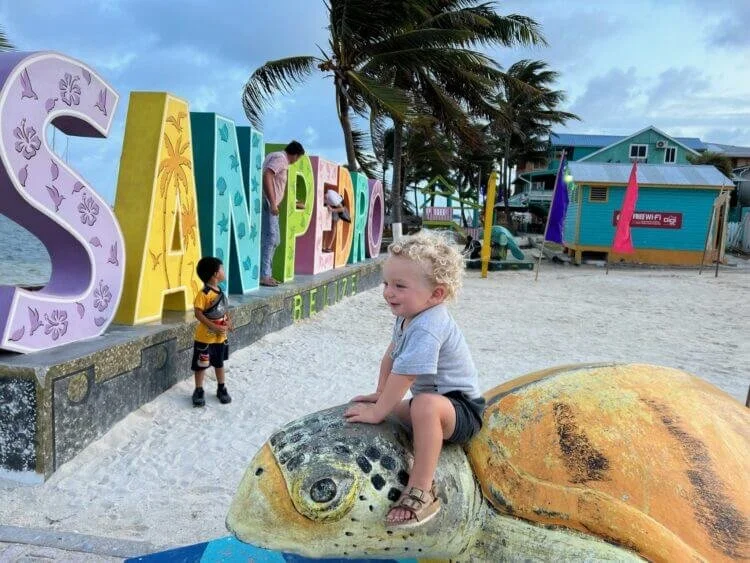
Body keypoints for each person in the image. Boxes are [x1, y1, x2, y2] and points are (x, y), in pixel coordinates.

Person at [344, 231, 485, 529]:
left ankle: (422, 490)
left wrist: (379, 410)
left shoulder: (430, 324)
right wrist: (380, 395)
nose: (387, 292)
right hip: (433, 402)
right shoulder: (409, 315)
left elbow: (406, 374)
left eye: (399, 286)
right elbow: (391, 357)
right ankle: (396, 410)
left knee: (422, 407)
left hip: (462, 410)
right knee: (380, 406)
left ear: (436, 294)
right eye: (386, 283)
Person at [260, 140, 305, 287]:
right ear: (296, 155)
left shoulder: (274, 155)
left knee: (275, 240)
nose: (296, 161)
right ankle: (264, 275)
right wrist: (272, 202)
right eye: (298, 158)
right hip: (269, 204)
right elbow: (267, 175)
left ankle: (267, 273)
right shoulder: (281, 159)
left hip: (271, 204)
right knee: (271, 239)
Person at [191, 257, 233, 407]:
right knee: (201, 365)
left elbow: (223, 311)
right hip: (205, 338)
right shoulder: (204, 294)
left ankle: (221, 388)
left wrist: (228, 322)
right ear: (215, 274)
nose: (224, 271)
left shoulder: (221, 291)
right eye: (222, 269)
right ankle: (198, 390)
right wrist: (213, 326)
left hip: (219, 338)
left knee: (219, 363)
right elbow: (198, 313)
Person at [322, 188, 351, 253]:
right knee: (327, 224)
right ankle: (323, 245)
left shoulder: (332, 199)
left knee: (333, 225)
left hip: (338, 208)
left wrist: (332, 210)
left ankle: (329, 247)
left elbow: (342, 209)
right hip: (331, 205)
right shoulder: (323, 197)